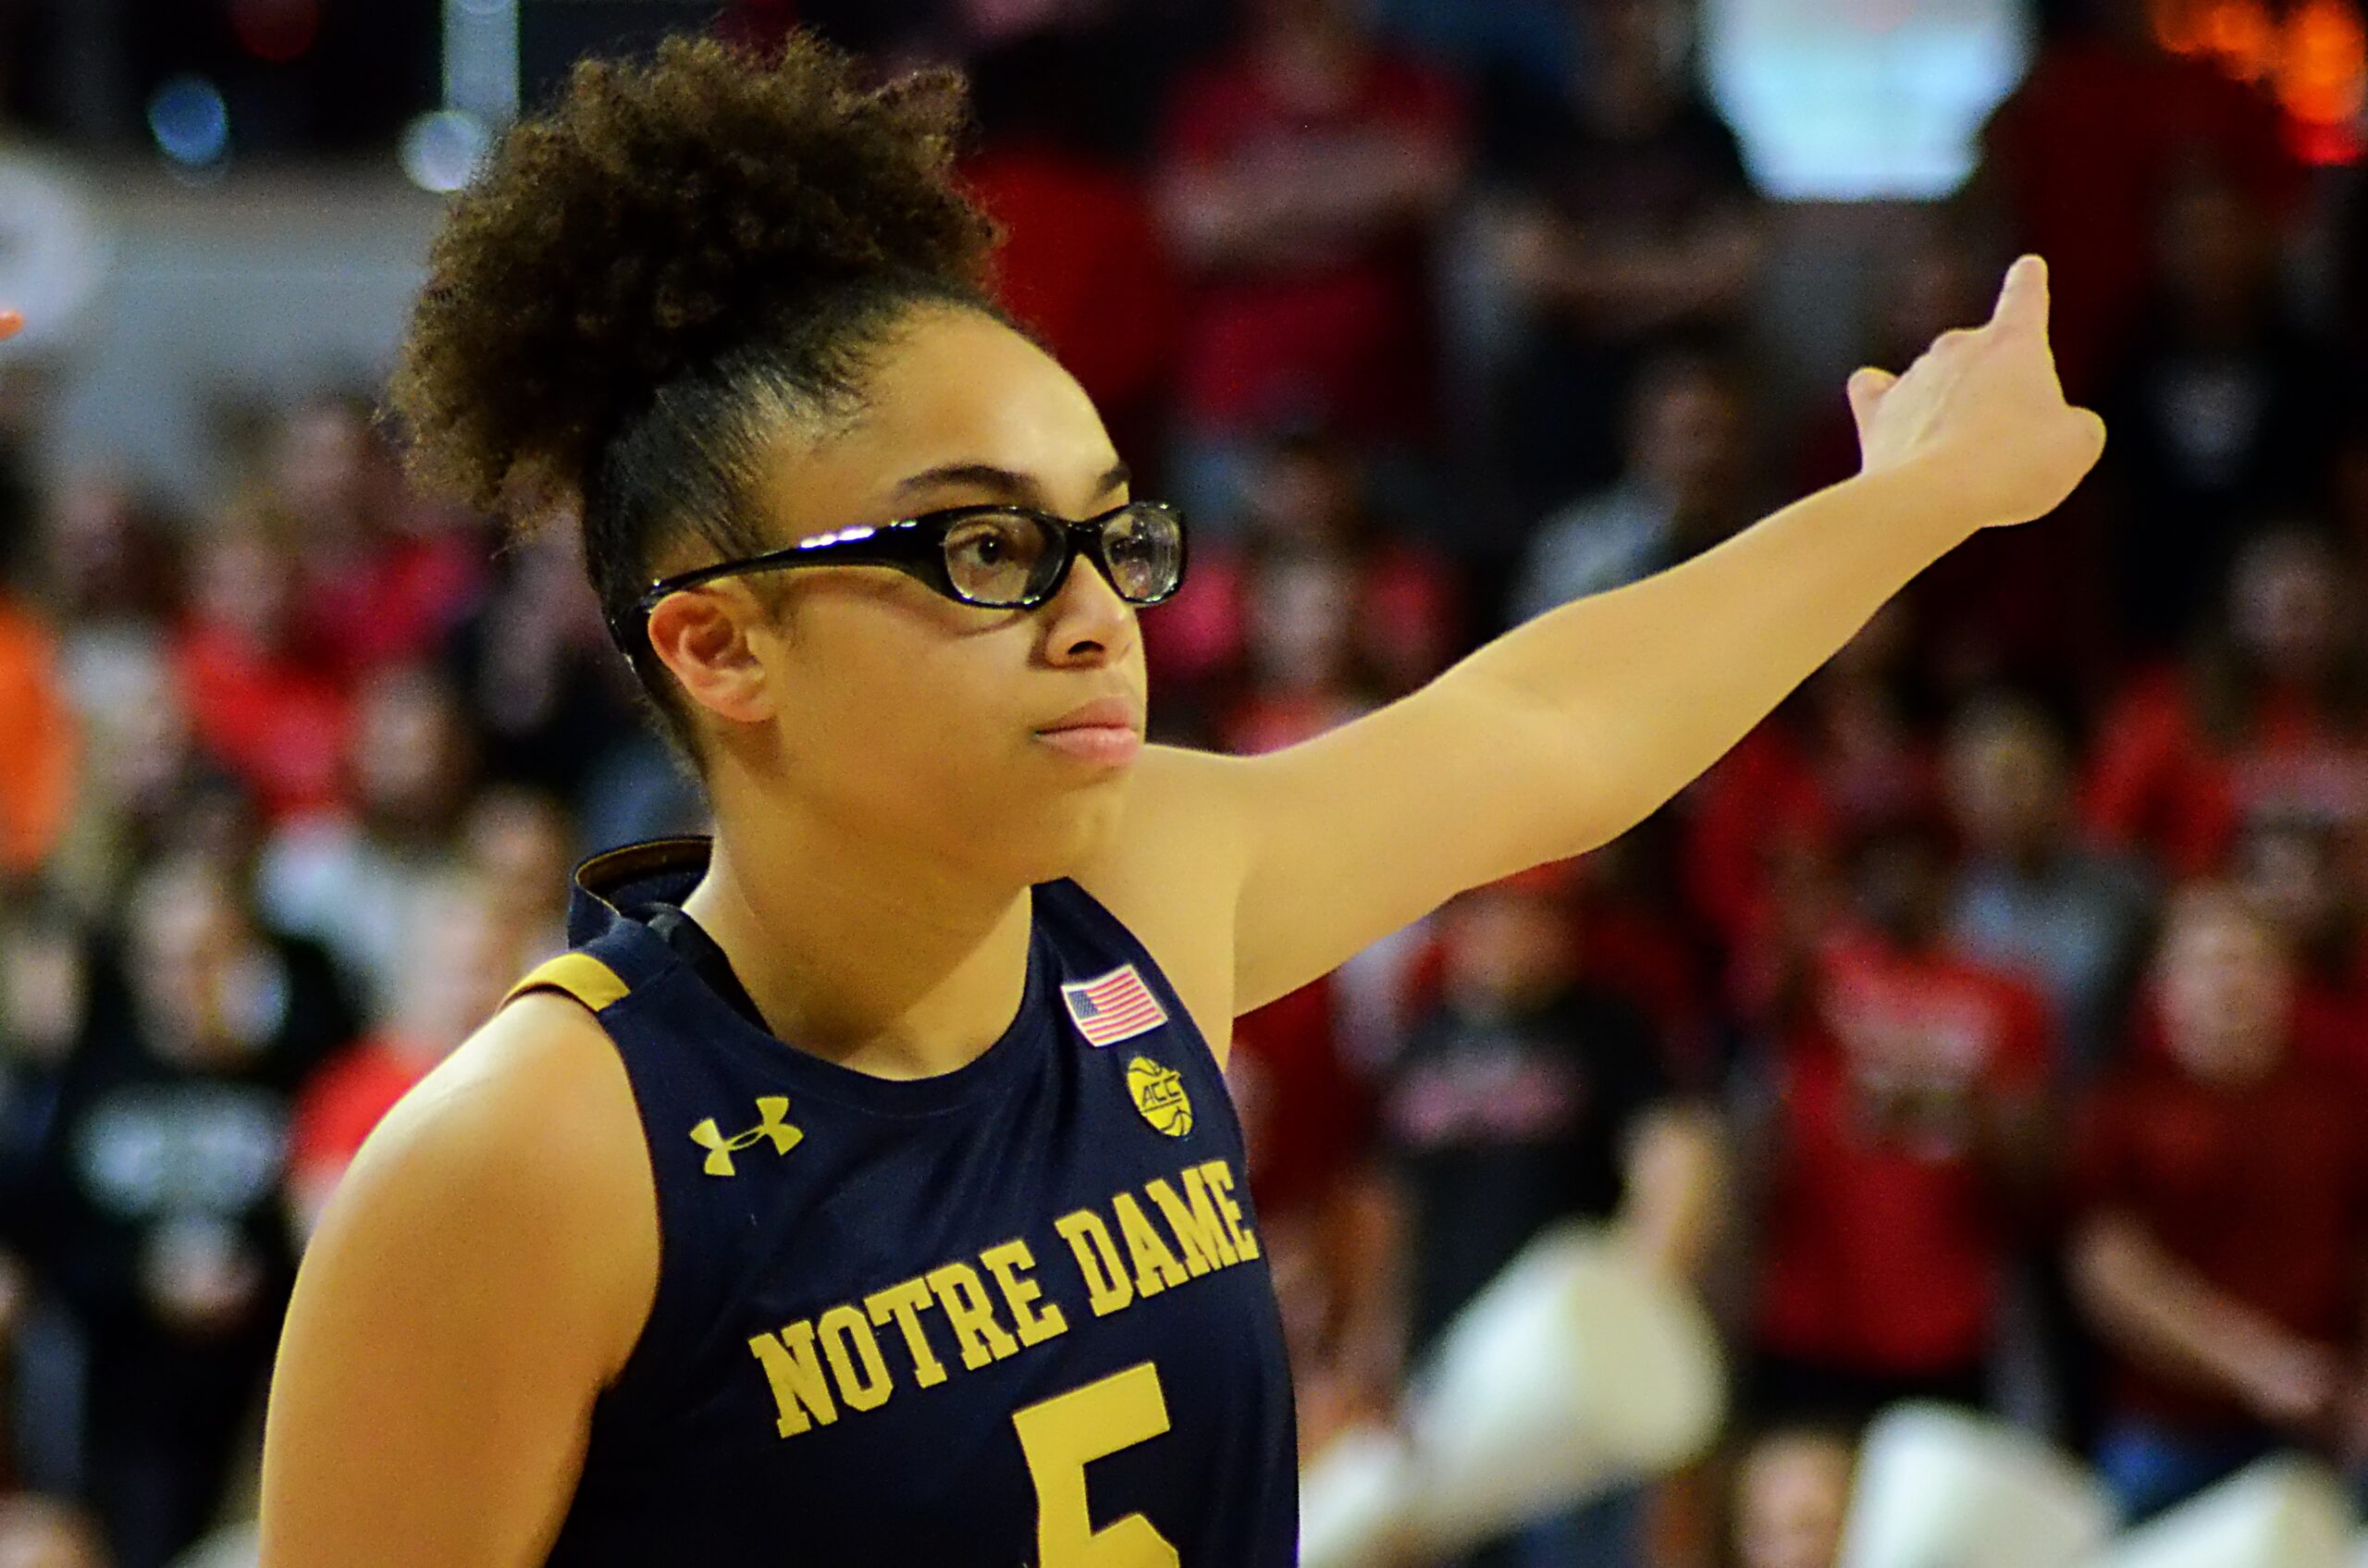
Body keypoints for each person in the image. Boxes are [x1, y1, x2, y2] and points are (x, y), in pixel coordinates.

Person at [253, 31, 2103, 1568]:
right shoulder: (518, 1167)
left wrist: (1913, 499)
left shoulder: (1139, 884)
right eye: (985, 548)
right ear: (722, 645)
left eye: (1106, 535)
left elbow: (1546, 727)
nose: (1094, 619)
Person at [2069, 886, 2368, 1521]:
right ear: (2164, 989)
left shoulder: (2339, 1103)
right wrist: (2256, 1365)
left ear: (2285, 981)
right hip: (2169, 1429)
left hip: (2323, 1424)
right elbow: (2109, 1272)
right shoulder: (2124, 1107)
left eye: (2249, 961)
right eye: (2206, 964)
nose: (2229, 983)